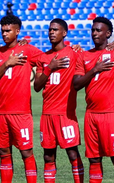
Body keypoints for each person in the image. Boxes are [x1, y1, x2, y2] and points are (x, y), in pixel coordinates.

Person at [73, 16, 114, 183]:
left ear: (109, 33)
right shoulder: (84, 56)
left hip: (111, 114)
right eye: (93, 30)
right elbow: (76, 84)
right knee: (94, 159)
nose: (94, 33)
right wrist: (94, 70)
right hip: (91, 115)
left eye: (98, 30)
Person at [0, 14, 43, 183]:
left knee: (26, 152)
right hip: (1, 114)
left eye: (8, 31)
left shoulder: (28, 50)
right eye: (2, 31)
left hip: (21, 113)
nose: (4, 34)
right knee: (3, 153)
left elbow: (46, 59)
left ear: (17, 31)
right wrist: (6, 64)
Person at [34, 18, 84, 183]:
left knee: (72, 153)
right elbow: (37, 86)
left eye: (55, 30)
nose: (51, 33)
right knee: (48, 156)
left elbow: (91, 57)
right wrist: (50, 67)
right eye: (50, 30)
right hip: (47, 114)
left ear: (64, 33)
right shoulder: (43, 57)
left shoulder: (74, 53)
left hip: (65, 114)